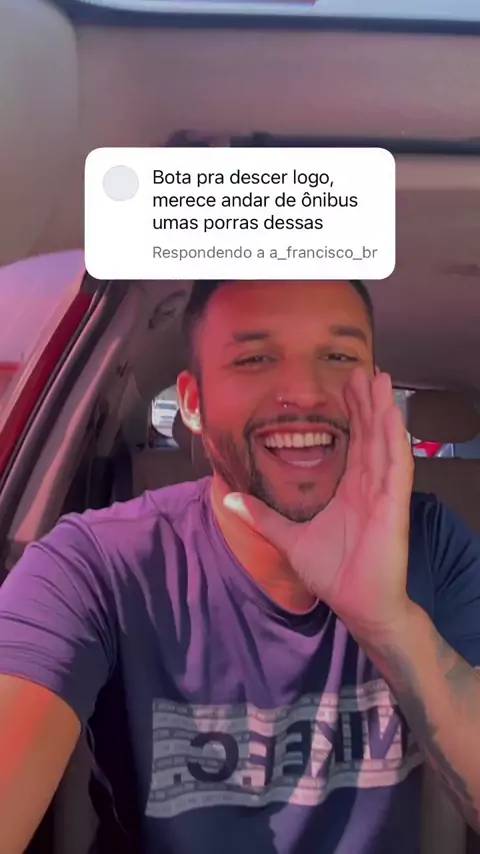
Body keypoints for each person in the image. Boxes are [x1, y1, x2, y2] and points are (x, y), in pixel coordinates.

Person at [0, 278, 480, 854]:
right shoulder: (95, 564)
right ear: (193, 403)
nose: (305, 392)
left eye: (338, 356)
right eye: (255, 358)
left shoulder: (431, 543)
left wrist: (389, 624)